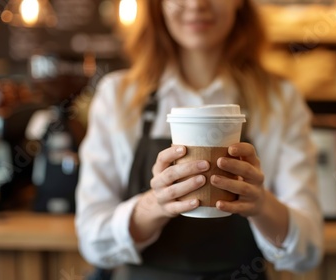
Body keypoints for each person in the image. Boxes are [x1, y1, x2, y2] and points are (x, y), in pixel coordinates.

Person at [75, 0, 323, 279]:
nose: (196, 4)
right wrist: (156, 204)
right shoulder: (118, 96)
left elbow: (307, 253)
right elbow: (92, 241)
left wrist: (261, 205)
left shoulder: (280, 100)